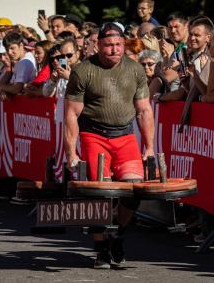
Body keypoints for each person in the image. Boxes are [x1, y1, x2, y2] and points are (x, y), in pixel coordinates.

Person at [64, 23, 154, 269]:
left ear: (124, 44)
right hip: (94, 136)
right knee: (99, 191)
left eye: (118, 45)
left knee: (133, 190)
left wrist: (149, 147)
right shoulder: (83, 70)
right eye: (108, 45)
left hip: (125, 137)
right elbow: (71, 114)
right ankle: (101, 247)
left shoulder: (135, 69)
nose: (114, 50)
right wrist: (71, 152)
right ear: (98, 45)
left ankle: (117, 235)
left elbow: (144, 110)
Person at [0, 31, 37, 98]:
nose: (9, 52)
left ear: (21, 45)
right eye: (7, 49)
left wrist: (1, 87)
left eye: (12, 48)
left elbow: (16, 89)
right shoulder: (27, 57)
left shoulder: (24, 62)